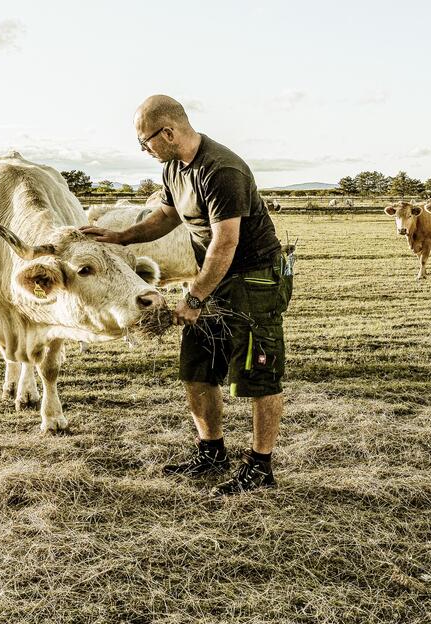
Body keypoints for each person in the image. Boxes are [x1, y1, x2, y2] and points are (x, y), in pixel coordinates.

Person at [81, 95, 291, 496]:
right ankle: (211, 451)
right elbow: (164, 216)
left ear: (169, 132)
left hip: (253, 279)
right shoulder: (175, 168)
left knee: (256, 373)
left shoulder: (221, 169)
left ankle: (260, 466)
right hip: (212, 277)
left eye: (145, 142)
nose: (144, 150)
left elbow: (225, 243)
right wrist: (121, 236)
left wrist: (193, 299)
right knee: (197, 367)